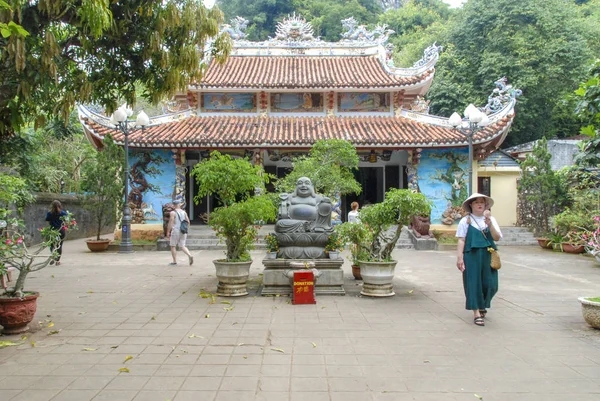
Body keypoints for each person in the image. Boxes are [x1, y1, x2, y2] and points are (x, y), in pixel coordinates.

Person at [456, 193, 502, 327]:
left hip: (488, 255)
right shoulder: (466, 221)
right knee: (473, 283)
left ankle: (483, 304)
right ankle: (476, 312)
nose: (480, 204)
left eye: (482, 202)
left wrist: (490, 224)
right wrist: (460, 258)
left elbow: (497, 237)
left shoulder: (491, 220)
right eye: (476, 202)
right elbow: (461, 239)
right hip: (471, 255)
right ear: (471, 205)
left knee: (491, 284)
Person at [167, 200, 194, 266]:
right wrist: (185, 229)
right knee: (182, 246)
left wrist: (168, 231)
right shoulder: (184, 212)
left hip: (176, 230)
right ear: (179, 205)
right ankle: (189, 255)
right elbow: (188, 222)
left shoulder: (173, 213)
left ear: (173, 205)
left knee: (173, 246)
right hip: (183, 231)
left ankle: (174, 261)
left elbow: (171, 222)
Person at [45, 200, 67, 265]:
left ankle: (52, 257)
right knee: (59, 245)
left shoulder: (49, 213)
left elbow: (47, 219)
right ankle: (58, 260)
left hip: (52, 230)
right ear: (60, 206)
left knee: (52, 245)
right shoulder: (63, 213)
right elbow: (67, 220)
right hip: (61, 230)